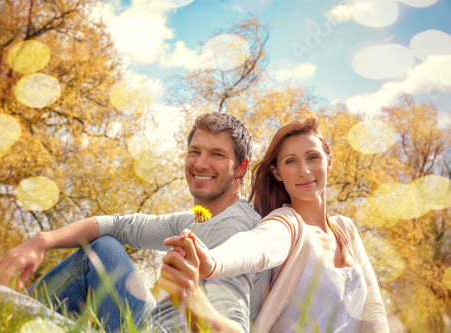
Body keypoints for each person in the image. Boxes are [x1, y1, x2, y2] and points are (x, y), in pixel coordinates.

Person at [0, 112, 271, 333]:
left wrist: (193, 298)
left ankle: (8, 317)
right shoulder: (192, 220)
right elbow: (120, 225)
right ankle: (17, 315)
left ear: (242, 167)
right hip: (150, 322)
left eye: (217, 154)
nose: (200, 163)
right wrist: (42, 241)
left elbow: (234, 324)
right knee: (102, 246)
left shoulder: (236, 225)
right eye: (195, 151)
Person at [161, 111, 390, 332]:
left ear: (328, 162)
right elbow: (255, 246)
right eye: (291, 161)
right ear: (278, 172)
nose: (304, 170)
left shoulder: (345, 229)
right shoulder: (286, 223)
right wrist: (211, 262)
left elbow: (373, 311)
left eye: (313, 157)